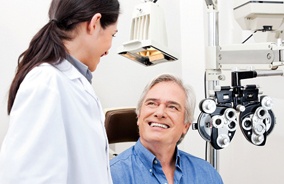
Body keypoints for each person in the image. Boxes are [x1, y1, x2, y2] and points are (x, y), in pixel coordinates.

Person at [0, 0, 120, 183]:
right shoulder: (46, 81)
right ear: (94, 23)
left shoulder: (75, 85)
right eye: (113, 34)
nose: (109, 49)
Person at [110, 74, 223, 184]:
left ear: (186, 126)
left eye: (172, 107)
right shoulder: (111, 175)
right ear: (139, 117)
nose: (159, 113)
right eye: (152, 103)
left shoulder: (207, 175)